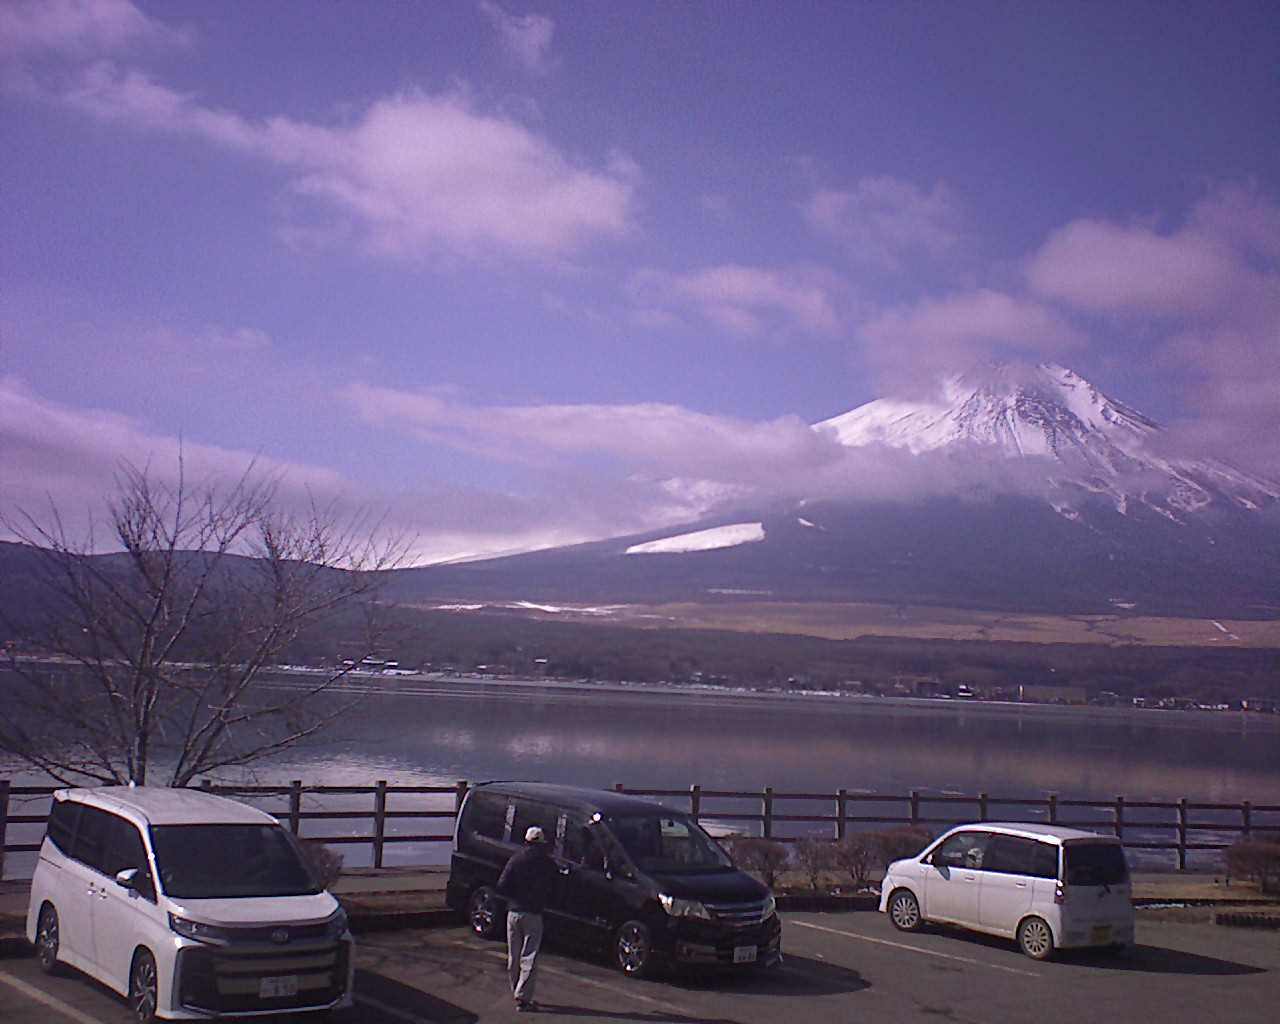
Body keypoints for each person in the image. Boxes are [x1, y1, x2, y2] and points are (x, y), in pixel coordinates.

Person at [496, 825, 559, 1012]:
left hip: (514, 911)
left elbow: (502, 884)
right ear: (541, 843)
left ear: (526, 841)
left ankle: (516, 990)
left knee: (513, 955)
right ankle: (523, 997)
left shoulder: (516, 859)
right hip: (534, 913)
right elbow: (556, 887)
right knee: (529, 956)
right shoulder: (547, 864)